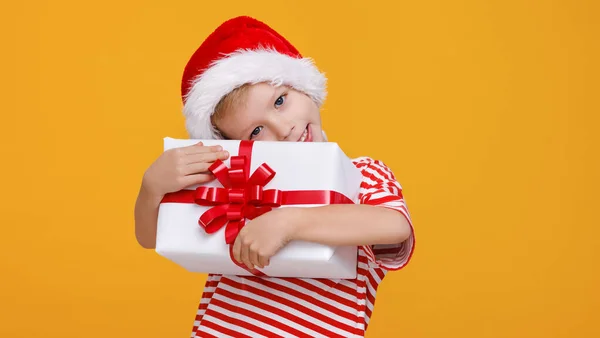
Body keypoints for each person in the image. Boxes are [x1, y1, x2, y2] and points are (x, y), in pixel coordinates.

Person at [135, 15, 416, 338]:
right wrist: (151, 189)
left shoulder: (362, 174)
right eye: (256, 131)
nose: (284, 130)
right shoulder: (236, 181)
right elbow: (153, 237)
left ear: (304, 89)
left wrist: (288, 222)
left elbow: (395, 226)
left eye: (280, 101)